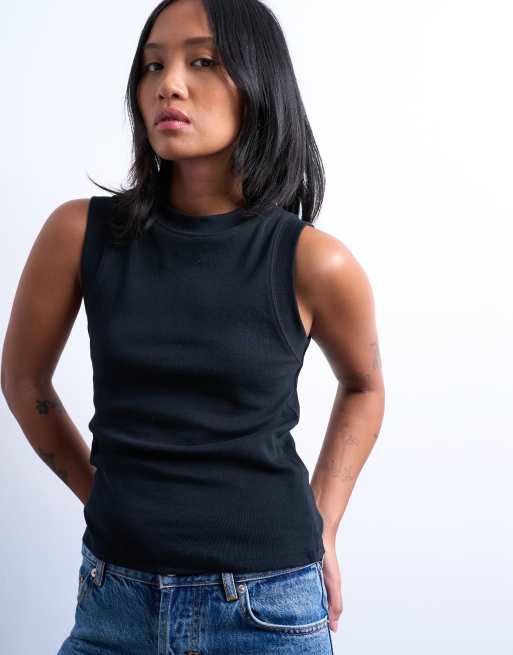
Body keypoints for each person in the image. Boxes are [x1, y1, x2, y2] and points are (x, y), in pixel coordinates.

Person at [1, 0, 385, 653]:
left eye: (202, 61)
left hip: (268, 607)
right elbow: (23, 379)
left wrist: (325, 522)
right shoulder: (78, 234)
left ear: (258, 82)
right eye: (153, 66)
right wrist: (100, 492)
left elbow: (364, 385)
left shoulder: (314, 261)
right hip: (113, 601)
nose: (168, 85)